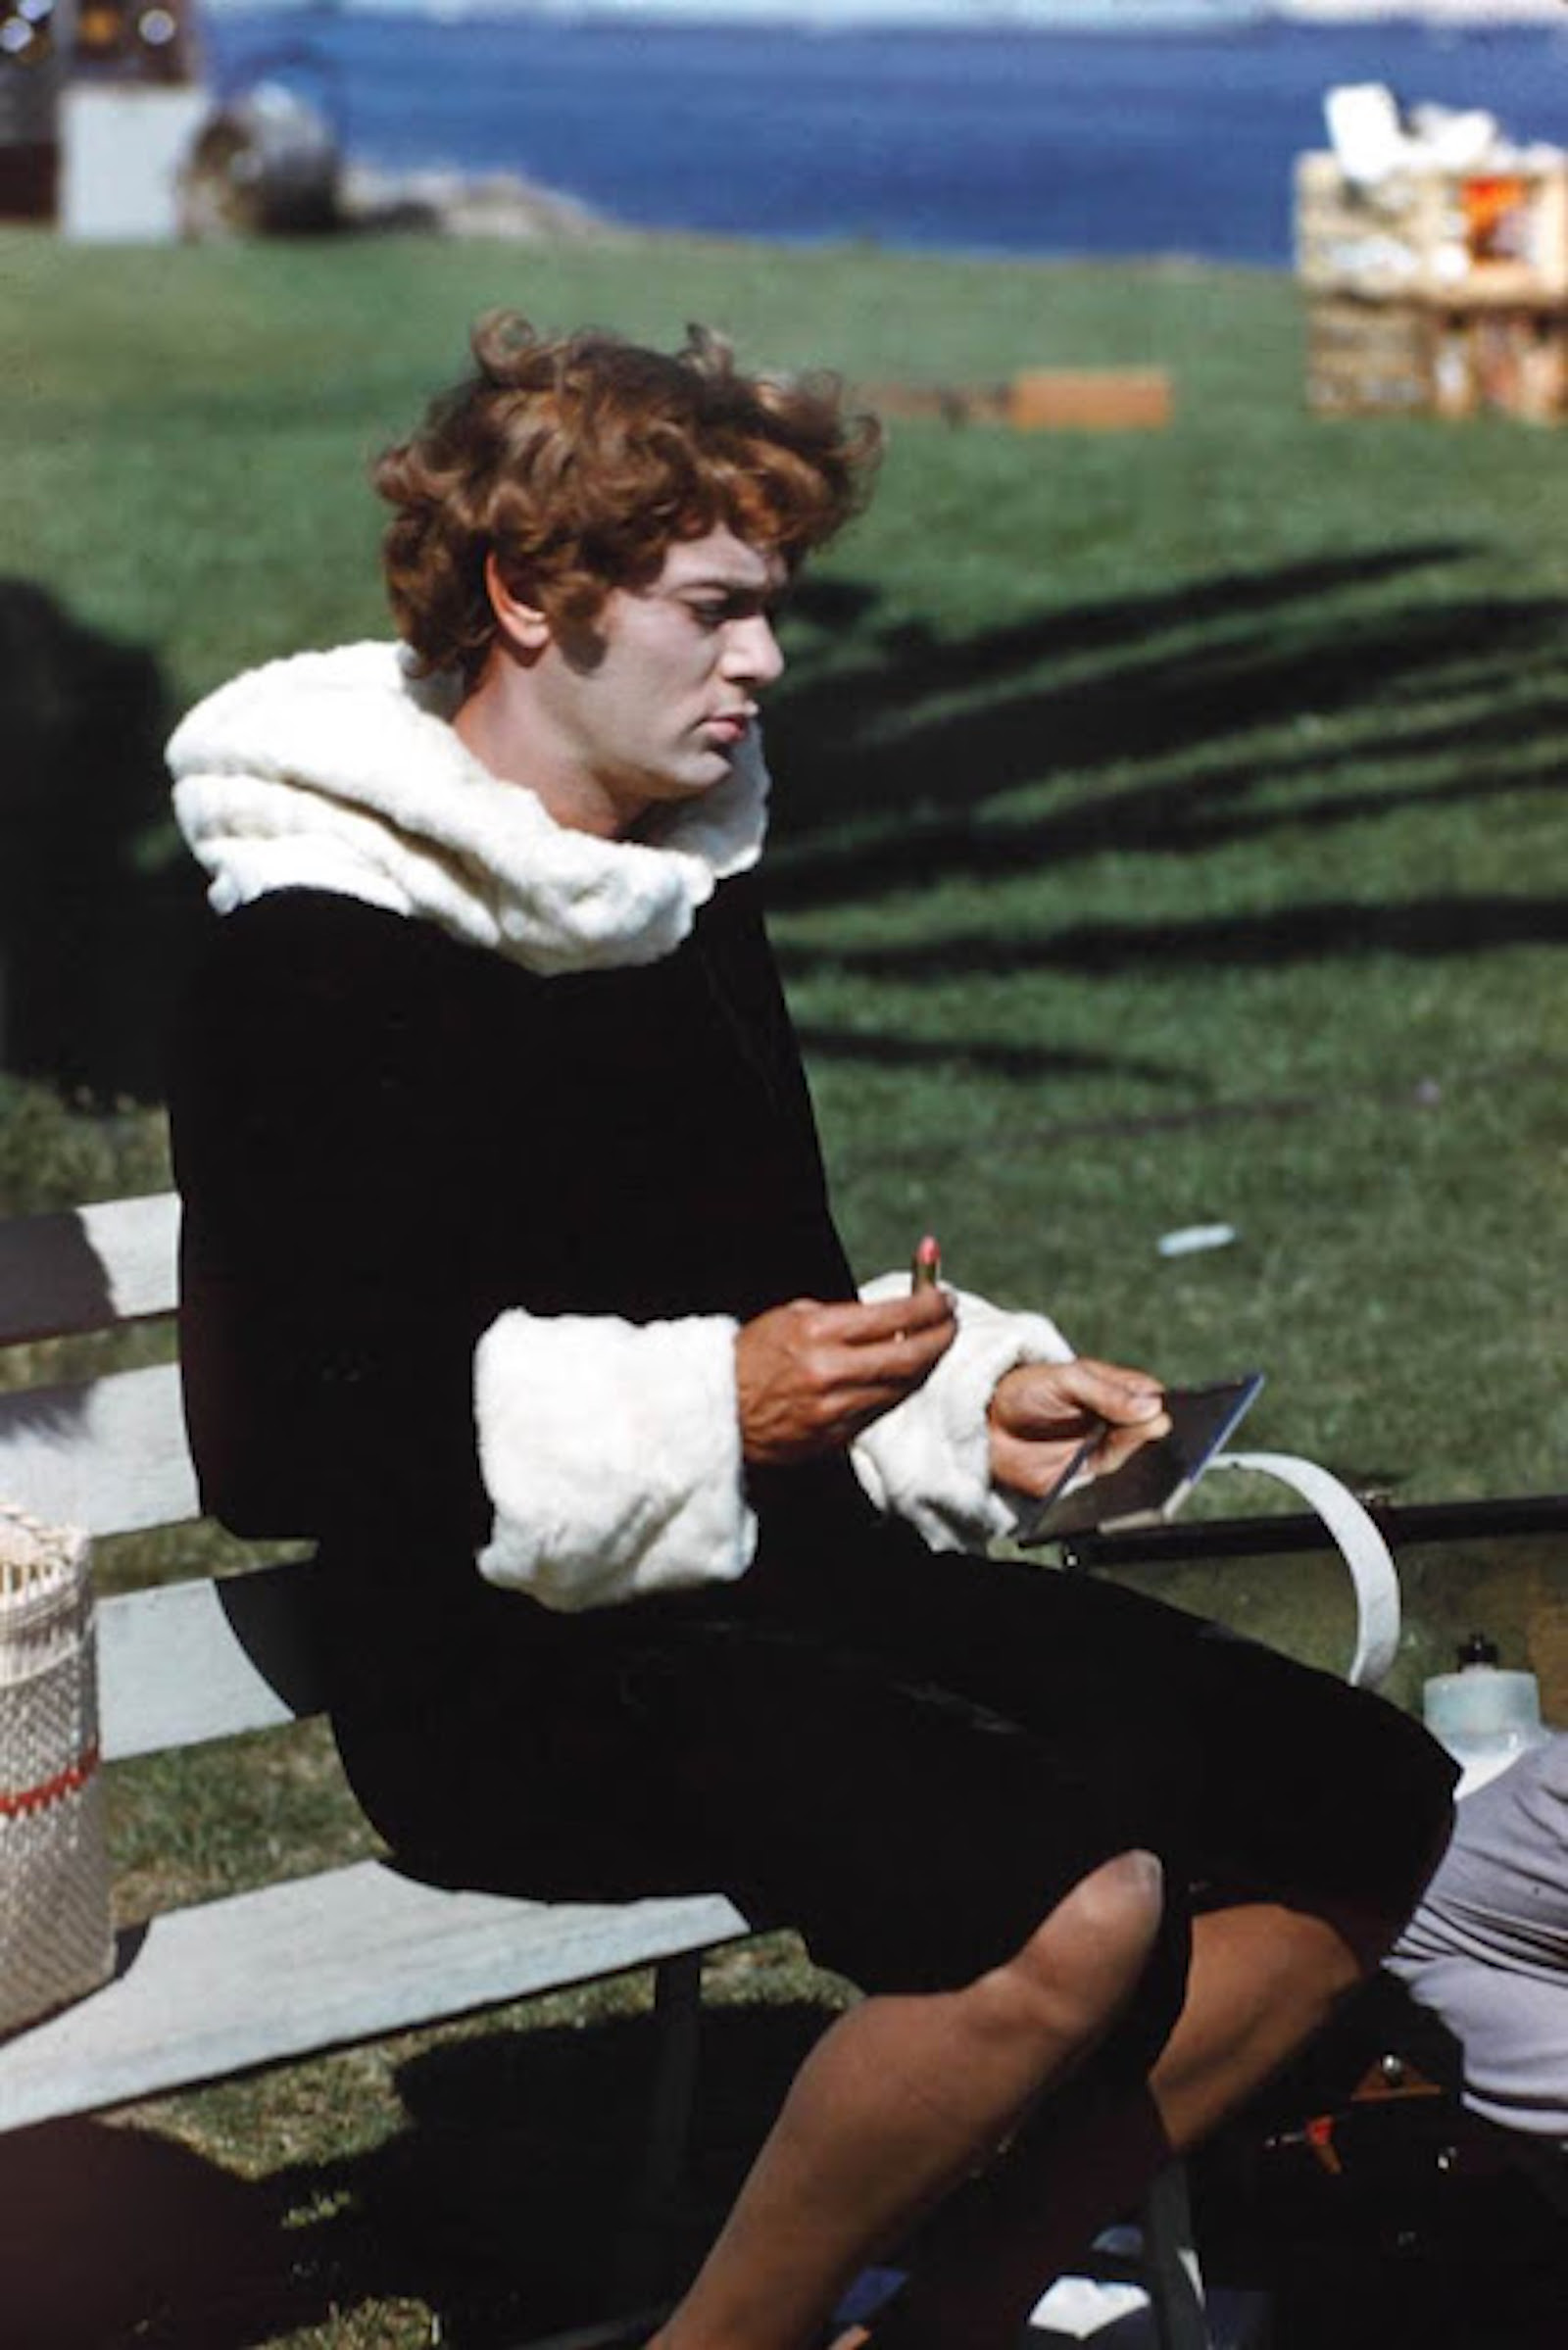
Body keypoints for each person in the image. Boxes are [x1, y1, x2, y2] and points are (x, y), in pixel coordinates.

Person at [166, 315, 1455, 2349]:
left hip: (798, 1585)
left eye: (775, 607)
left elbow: (779, 1277)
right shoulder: (314, 938)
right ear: (529, 595)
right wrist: (714, 1400)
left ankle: (948, 2311)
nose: (765, 660)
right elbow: (286, 1445)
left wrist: (964, 1399)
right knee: (1074, 1899)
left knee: (1364, 1796)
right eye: (715, 609)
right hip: (503, 1661)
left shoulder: (683, 871)